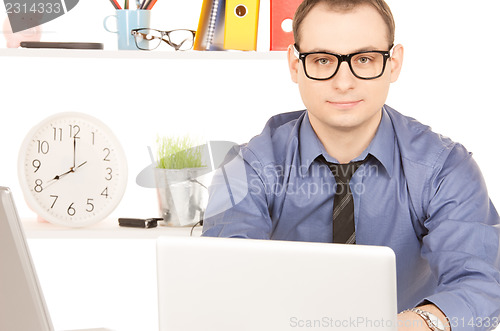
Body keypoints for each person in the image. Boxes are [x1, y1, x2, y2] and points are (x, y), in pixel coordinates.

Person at [201, 0, 500, 330]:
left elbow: (481, 286)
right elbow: (223, 280)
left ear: (393, 63)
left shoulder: (444, 168)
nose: (343, 83)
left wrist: (397, 327)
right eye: (323, 60)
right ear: (295, 65)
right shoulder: (248, 168)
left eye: (364, 59)